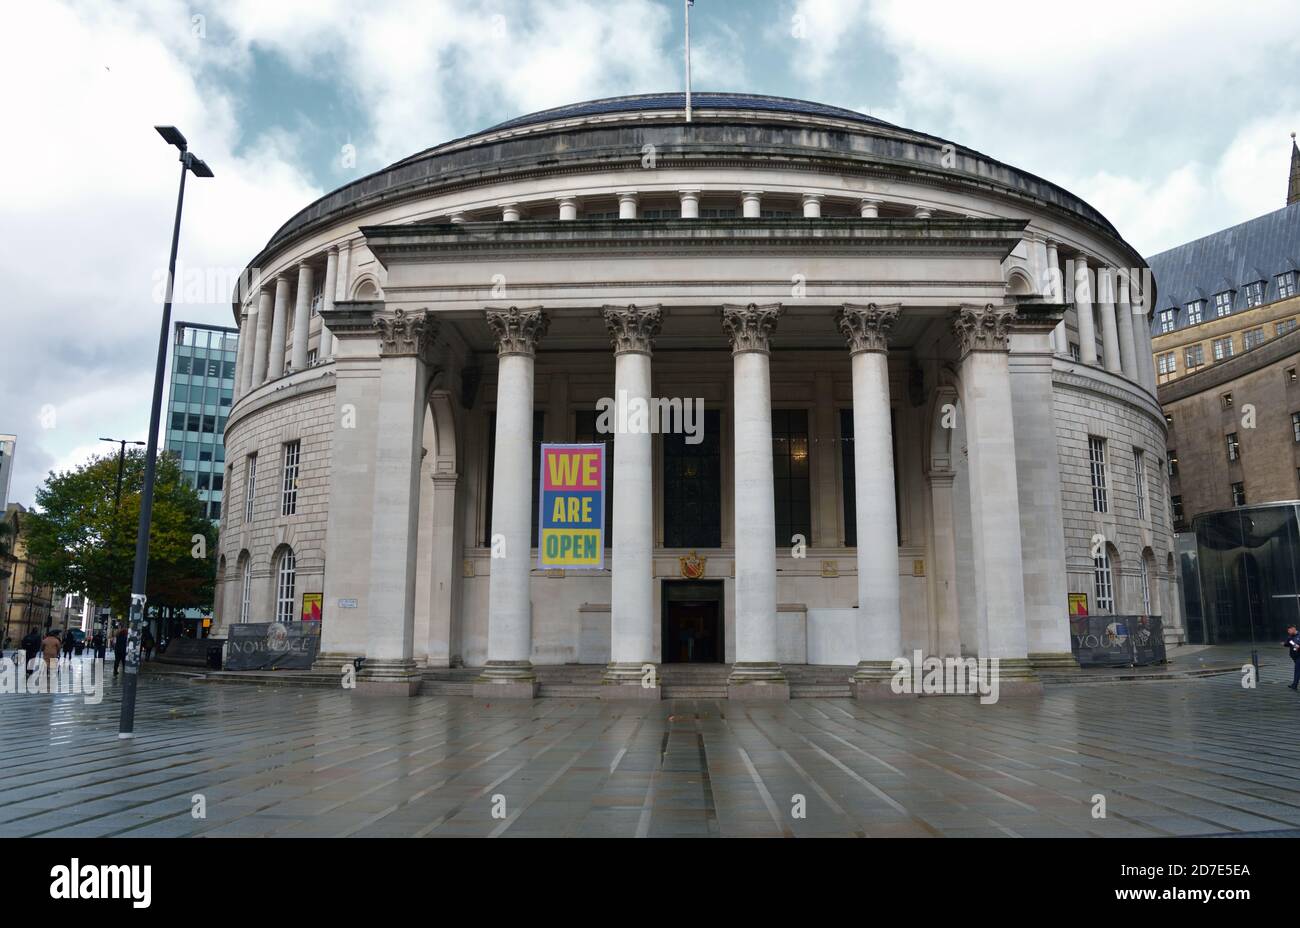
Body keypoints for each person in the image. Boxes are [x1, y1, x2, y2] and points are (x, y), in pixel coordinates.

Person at [1284, 626, 1300, 691]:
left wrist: (1298, 646)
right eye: (1288, 631)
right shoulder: (1290, 637)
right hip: (1294, 657)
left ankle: (1294, 685)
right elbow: (1287, 644)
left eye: (1289, 631)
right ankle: (1294, 684)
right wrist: (1285, 644)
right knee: (1298, 671)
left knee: (1297, 670)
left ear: (1293, 629)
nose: (1288, 632)